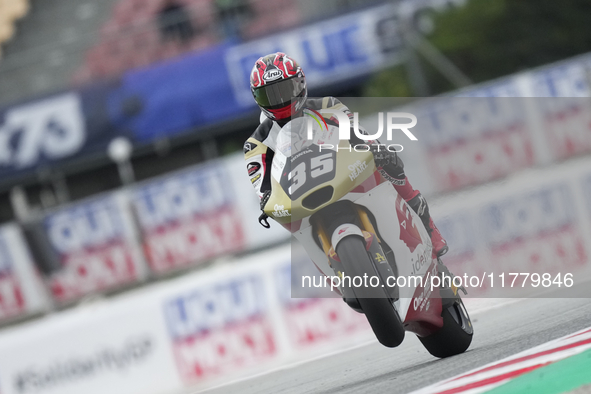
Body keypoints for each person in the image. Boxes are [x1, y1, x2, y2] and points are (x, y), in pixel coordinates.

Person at [243, 52, 448, 257]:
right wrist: (267, 202)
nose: (279, 100)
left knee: (389, 161)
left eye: (285, 90)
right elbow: (262, 186)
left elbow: (358, 135)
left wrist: (376, 149)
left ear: (300, 83)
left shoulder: (328, 106)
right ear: (257, 98)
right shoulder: (256, 143)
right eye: (269, 95)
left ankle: (429, 228)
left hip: (341, 170)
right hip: (299, 193)